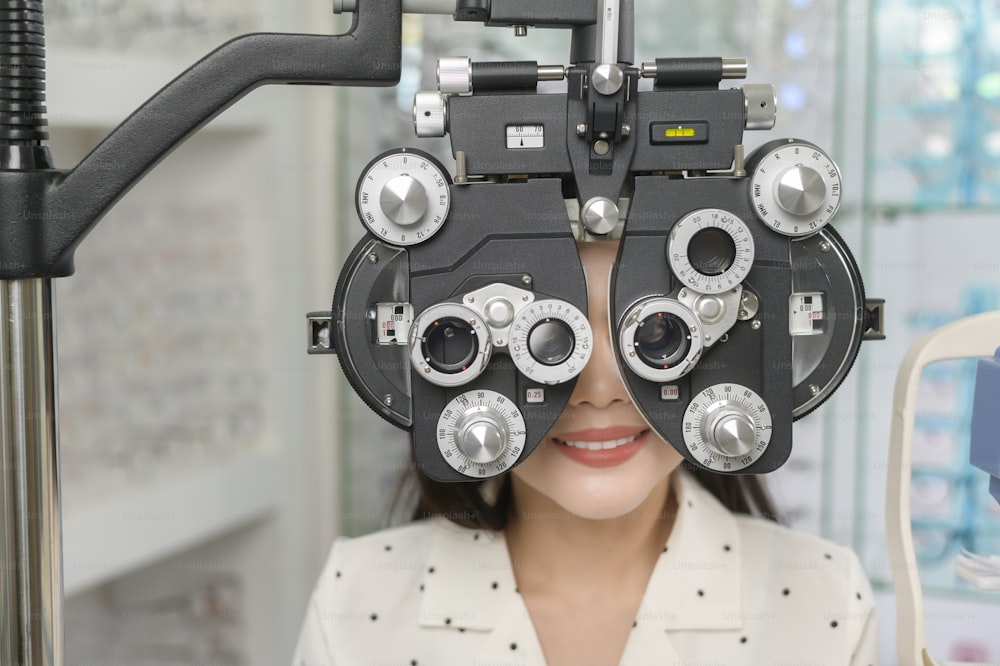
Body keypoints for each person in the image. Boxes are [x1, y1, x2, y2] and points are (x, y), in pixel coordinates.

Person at [291, 241, 878, 666]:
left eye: (653, 335)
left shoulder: (821, 597)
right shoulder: (359, 595)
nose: (599, 390)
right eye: (547, 338)